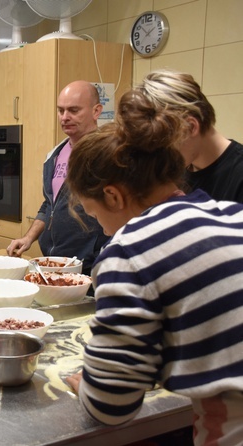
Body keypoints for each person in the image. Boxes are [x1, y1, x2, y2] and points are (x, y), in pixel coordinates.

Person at [64, 90, 243, 445]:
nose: (103, 229)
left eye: (95, 213)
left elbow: (110, 406)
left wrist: (90, 384)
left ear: (113, 196)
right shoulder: (232, 215)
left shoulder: (130, 253)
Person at [7, 80, 108, 275]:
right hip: (54, 263)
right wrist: (29, 238)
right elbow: (49, 205)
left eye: (73, 110)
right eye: (61, 110)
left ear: (96, 111)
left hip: (91, 266)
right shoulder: (54, 155)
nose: (65, 117)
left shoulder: (108, 155)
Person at [138, 69, 243, 203]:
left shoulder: (238, 177)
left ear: (190, 127)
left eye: (163, 144)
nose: (159, 156)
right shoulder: (178, 171)